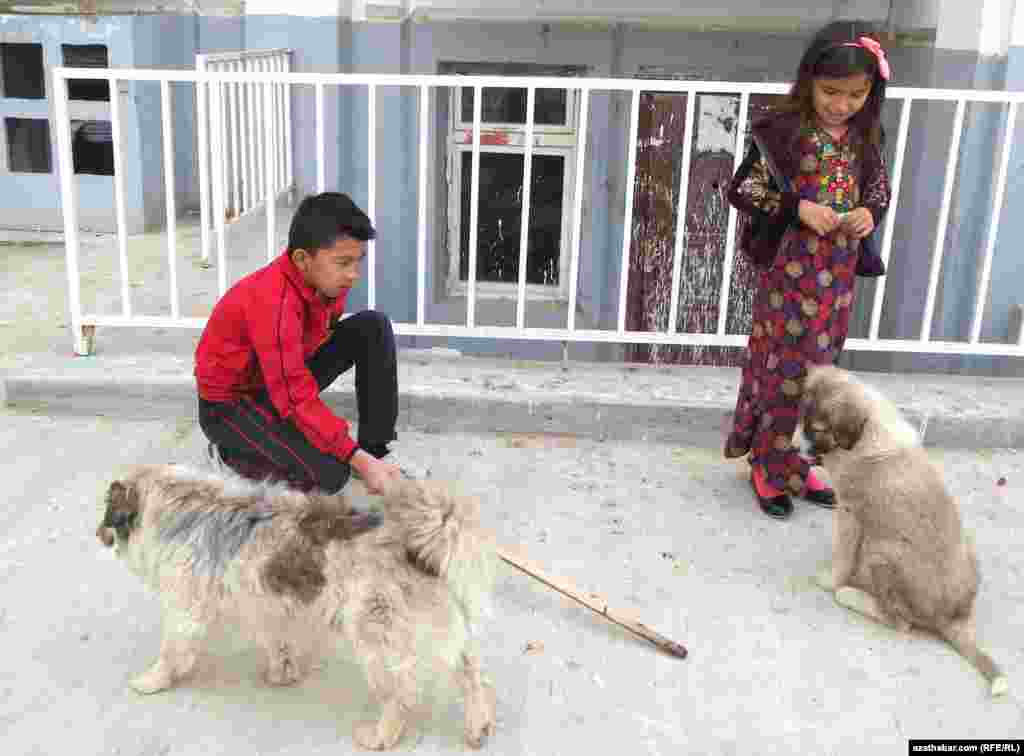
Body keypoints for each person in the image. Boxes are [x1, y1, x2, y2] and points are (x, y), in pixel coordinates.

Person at [723, 20, 893, 519]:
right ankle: (770, 466)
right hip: (791, 277)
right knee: (784, 370)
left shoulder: (865, 135)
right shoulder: (785, 131)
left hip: (837, 278)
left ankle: (793, 463)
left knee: (820, 375)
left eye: (856, 94)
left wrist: (869, 213)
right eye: (831, 91)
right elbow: (743, 189)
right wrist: (797, 208)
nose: (841, 104)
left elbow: (878, 189)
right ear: (808, 81)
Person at [194, 191, 408, 496]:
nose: (353, 275)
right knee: (332, 475)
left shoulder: (327, 283)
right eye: (343, 263)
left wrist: (363, 457)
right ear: (302, 260)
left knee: (372, 327)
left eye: (358, 261)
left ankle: (376, 450)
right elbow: (294, 396)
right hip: (230, 407)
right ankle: (231, 454)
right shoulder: (274, 303)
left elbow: (295, 374)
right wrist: (352, 459)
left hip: (274, 379)